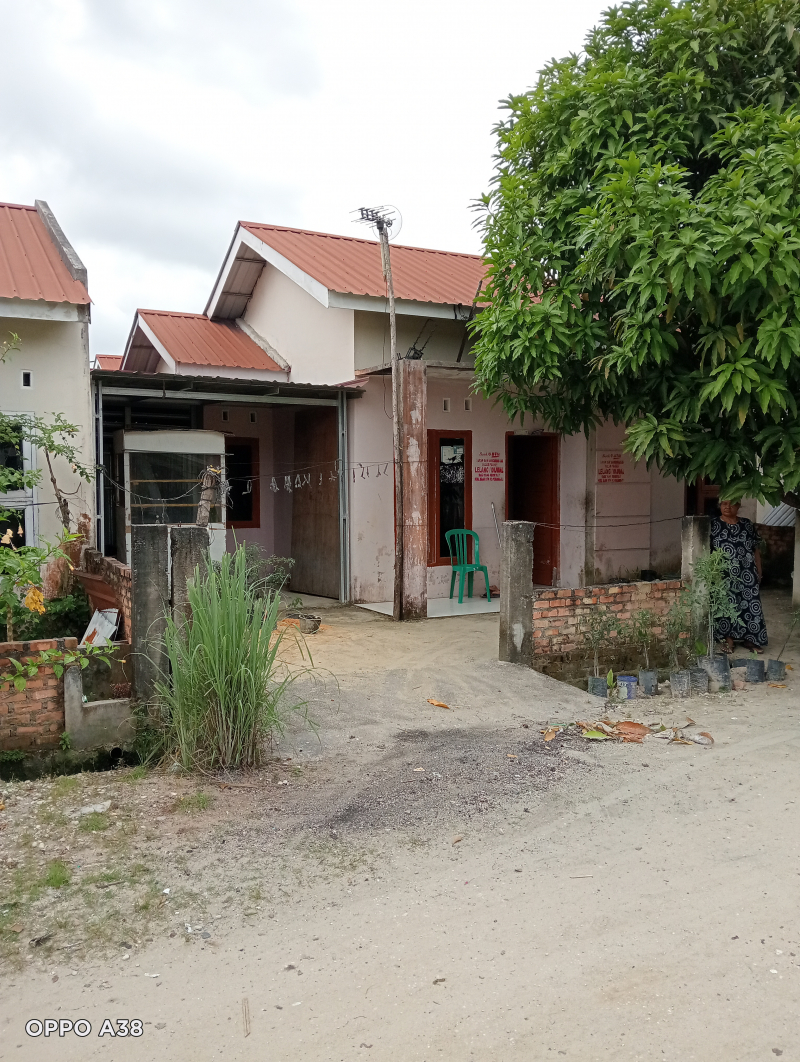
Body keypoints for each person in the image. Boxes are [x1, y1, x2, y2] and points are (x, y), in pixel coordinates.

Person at [710, 500, 768, 654]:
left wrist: (759, 571)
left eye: (731, 503)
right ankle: (728, 640)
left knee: (751, 605)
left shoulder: (747, 524)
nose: (727, 507)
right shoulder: (713, 525)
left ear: (738, 505)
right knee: (727, 605)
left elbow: (755, 549)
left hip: (747, 573)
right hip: (724, 575)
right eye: (723, 503)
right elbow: (708, 550)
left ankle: (751, 640)